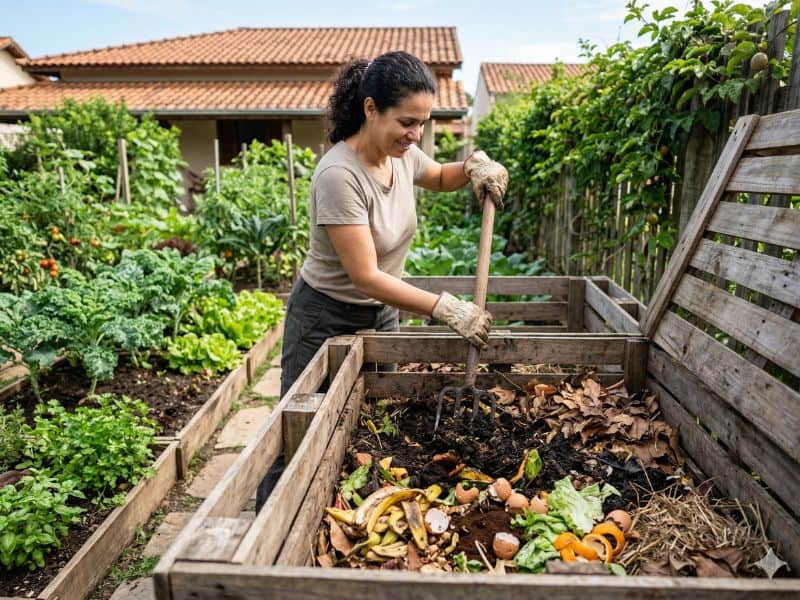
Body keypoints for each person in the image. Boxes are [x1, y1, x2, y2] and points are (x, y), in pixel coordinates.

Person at [255, 51, 508, 512]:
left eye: (423, 124)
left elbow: (439, 175)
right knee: (301, 434)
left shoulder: (403, 155)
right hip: (324, 317)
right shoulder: (338, 175)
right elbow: (366, 276)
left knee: (373, 422)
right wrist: (445, 308)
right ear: (370, 109)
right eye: (406, 122)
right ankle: (264, 538)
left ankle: (345, 516)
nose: (416, 135)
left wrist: (474, 165)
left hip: (380, 314)